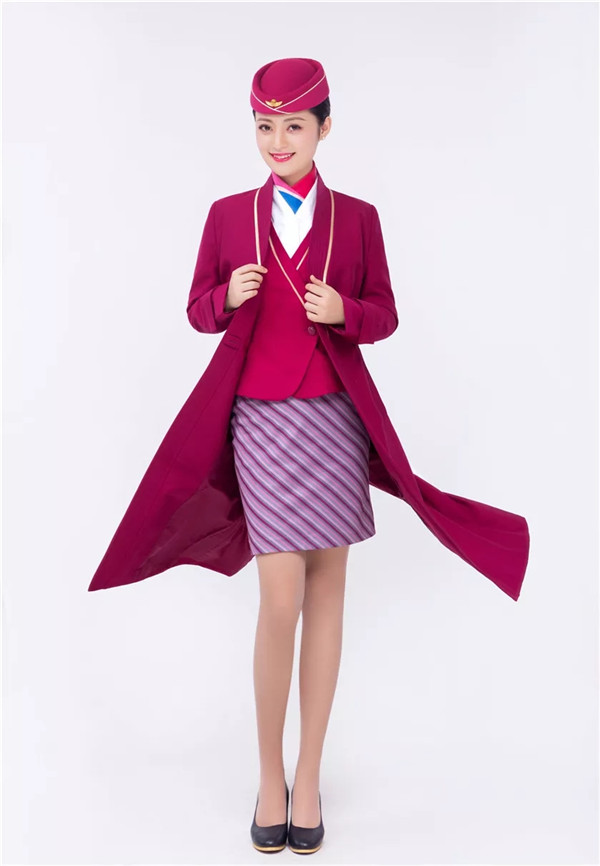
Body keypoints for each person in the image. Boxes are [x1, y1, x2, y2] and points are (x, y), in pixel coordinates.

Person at [88, 55, 530, 856]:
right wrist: (226, 296)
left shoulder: (357, 218)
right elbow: (196, 309)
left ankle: (310, 775)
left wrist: (345, 311)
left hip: (334, 421)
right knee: (280, 596)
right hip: (259, 421)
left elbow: (385, 314)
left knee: (328, 591)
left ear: (325, 127)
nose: (278, 141)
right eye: (265, 126)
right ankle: (268, 776)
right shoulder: (229, 215)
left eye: (294, 125)